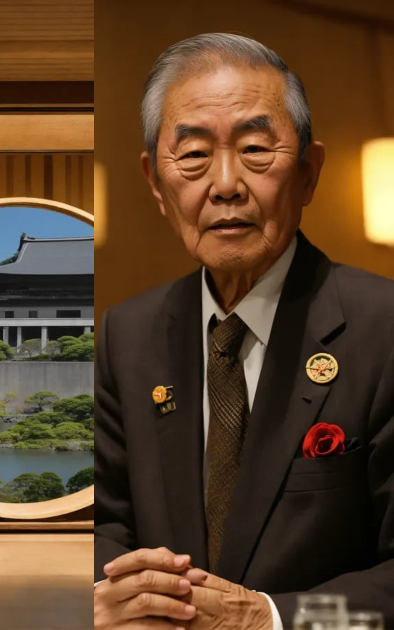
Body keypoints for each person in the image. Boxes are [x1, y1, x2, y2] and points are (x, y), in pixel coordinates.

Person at [94, 33, 394, 629]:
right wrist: (108, 595)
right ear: (157, 183)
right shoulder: (126, 334)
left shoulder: (382, 328)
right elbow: (102, 523)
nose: (226, 183)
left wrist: (271, 620)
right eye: (195, 155)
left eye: (256, 148)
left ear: (309, 173)